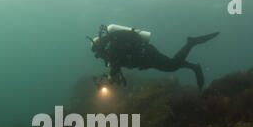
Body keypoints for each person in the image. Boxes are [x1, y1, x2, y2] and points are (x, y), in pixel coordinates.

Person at [88, 25, 219, 90]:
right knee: (170, 65)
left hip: (147, 55)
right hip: (146, 59)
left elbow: (117, 64)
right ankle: (193, 66)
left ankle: (191, 43)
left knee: (171, 66)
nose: (98, 56)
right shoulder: (112, 48)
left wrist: (111, 76)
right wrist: (111, 75)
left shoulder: (113, 47)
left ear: (99, 46)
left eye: (97, 52)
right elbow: (118, 65)